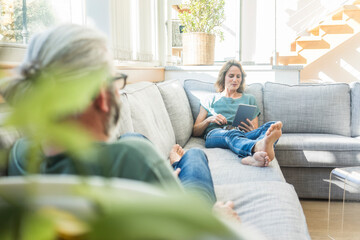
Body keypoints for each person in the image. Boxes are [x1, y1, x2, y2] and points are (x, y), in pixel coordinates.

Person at [3, 24, 239, 220]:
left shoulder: (18, 155)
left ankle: (172, 166)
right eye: (117, 80)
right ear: (102, 96)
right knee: (195, 156)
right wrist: (219, 220)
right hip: (181, 213)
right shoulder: (133, 159)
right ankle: (181, 171)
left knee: (131, 137)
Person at [193, 60, 282, 167]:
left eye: (238, 76)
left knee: (270, 127)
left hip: (243, 134)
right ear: (223, 77)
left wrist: (252, 130)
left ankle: (255, 155)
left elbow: (255, 128)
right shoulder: (210, 99)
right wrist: (209, 119)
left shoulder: (249, 99)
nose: (235, 79)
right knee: (231, 134)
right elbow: (195, 131)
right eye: (231, 76)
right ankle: (258, 148)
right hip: (217, 134)